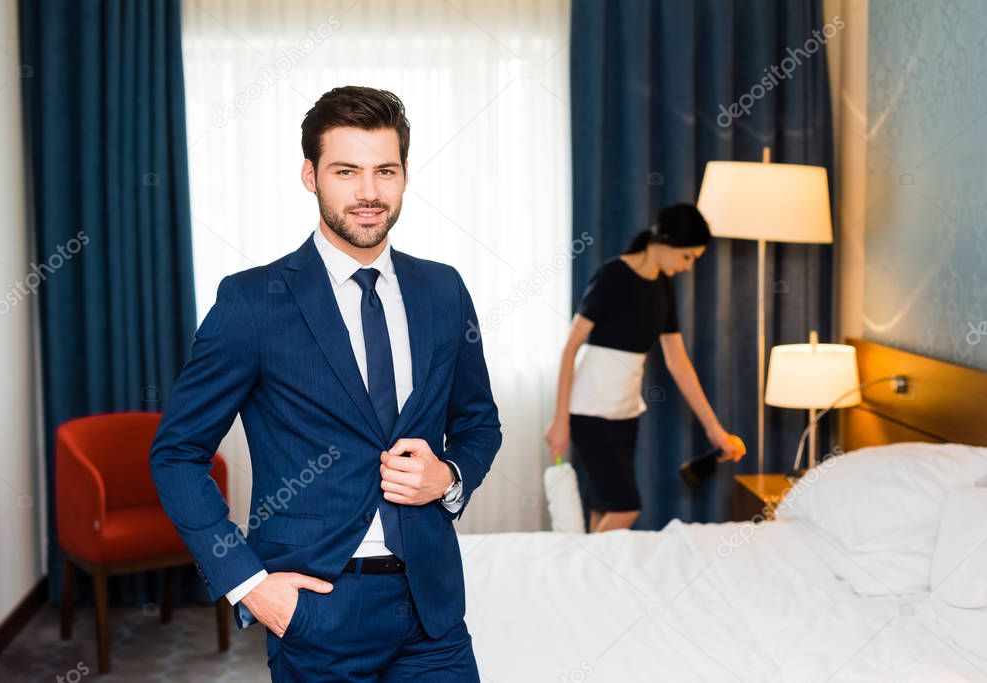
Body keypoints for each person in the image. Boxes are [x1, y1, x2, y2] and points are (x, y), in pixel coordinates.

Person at [150, 85, 501, 681]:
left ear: (405, 175)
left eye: (384, 171)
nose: (368, 193)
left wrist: (449, 477)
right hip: (317, 612)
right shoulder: (251, 302)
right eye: (346, 171)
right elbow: (177, 454)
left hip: (434, 610)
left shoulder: (444, 290)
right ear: (310, 175)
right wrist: (248, 583)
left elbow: (477, 422)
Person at [544, 204, 745, 533]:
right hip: (590, 412)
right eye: (687, 257)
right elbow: (570, 348)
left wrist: (714, 429)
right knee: (626, 508)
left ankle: (591, 576)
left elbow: (679, 363)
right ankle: (580, 569)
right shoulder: (613, 276)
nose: (688, 267)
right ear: (666, 242)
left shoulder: (663, 288)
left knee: (604, 506)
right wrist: (560, 419)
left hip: (625, 413)